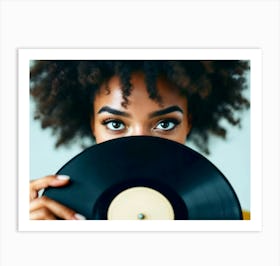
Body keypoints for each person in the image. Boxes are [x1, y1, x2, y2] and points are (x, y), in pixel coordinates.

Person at [29, 60, 250, 220]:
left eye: (165, 124)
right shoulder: (49, 220)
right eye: (115, 124)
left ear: (188, 124)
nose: (140, 145)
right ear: (93, 125)